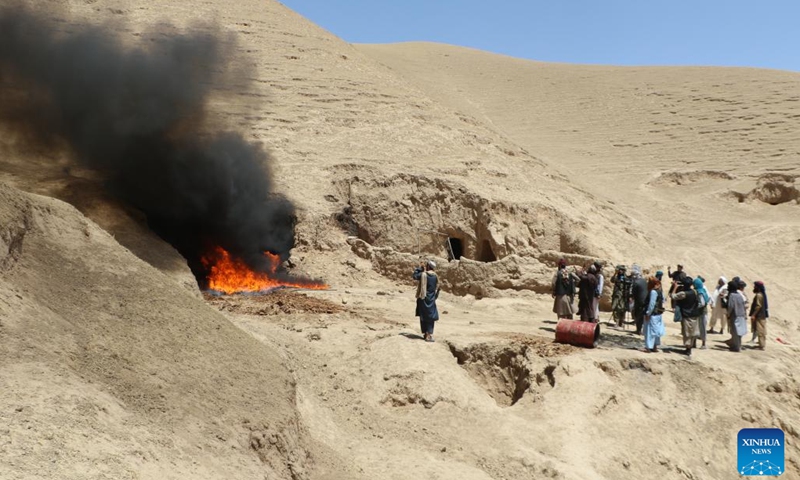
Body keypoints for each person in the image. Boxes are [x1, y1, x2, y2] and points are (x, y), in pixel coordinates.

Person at [671, 276, 700, 358]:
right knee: (692, 332)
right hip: (694, 314)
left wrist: (675, 287)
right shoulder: (694, 292)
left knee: (687, 333)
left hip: (687, 315)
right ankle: (690, 347)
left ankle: (688, 349)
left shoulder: (683, 294)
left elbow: (673, 296)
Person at [413, 260, 440, 342]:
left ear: (428, 266)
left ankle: (426, 334)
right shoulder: (435, 276)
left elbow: (414, 276)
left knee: (423, 316)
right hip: (431, 299)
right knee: (430, 317)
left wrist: (419, 269)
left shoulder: (423, 275)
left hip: (423, 298)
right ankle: (428, 334)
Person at [643, 276, 666, 352]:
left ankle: (648, 347)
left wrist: (648, 313)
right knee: (655, 331)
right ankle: (655, 347)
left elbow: (651, 304)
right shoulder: (660, 291)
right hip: (658, 314)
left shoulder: (653, 292)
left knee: (649, 331)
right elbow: (663, 300)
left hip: (652, 314)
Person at [726, 279, 748, 352]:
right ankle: (738, 346)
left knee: (735, 332)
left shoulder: (732, 295)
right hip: (741, 315)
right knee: (739, 332)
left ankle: (737, 347)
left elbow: (731, 306)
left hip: (735, 316)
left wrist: (728, 314)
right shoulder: (739, 295)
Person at [749, 281, 769, 350]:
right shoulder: (761, 295)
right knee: (761, 330)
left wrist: (753, 315)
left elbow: (758, 306)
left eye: (755, 286)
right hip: (761, 315)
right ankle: (761, 344)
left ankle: (761, 346)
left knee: (760, 330)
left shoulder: (759, 295)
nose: (754, 288)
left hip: (759, 316)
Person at [630, 265, 648, 334]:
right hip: (645, 301)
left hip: (639, 301)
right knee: (643, 315)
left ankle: (638, 330)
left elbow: (634, 294)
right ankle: (643, 330)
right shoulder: (644, 281)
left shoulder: (636, 283)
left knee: (637, 315)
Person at [693, 277, 710, 349]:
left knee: (701, 327)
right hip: (701, 312)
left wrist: (695, 307)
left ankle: (703, 344)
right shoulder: (703, 290)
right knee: (696, 328)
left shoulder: (699, 292)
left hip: (701, 312)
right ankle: (694, 343)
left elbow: (702, 303)